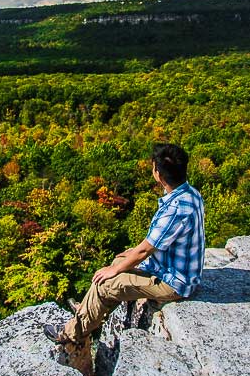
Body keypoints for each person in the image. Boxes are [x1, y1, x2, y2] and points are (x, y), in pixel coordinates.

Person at [43, 142, 205, 359]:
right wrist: (119, 264)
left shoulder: (175, 209)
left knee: (106, 282)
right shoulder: (190, 194)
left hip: (174, 282)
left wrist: (115, 270)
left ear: (158, 174)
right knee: (120, 259)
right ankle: (88, 310)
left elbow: (144, 250)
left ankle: (71, 334)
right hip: (174, 267)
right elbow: (147, 247)